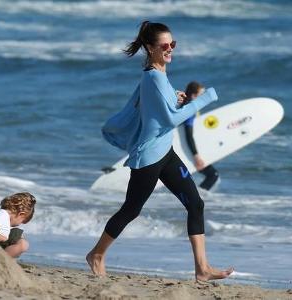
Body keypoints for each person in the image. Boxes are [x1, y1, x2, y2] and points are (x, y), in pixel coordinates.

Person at [86, 21, 233, 282]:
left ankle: (202, 269)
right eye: (164, 45)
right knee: (131, 210)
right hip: (149, 157)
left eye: (172, 44)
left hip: (166, 152)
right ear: (150, 48)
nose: (170, 49)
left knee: (196, 204)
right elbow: (169, 120)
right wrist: (202, 100)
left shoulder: (159, 75)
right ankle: (96, 254)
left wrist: (176, 99)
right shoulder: (153, 77)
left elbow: (161, 110)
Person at [183, 81, 220, 191]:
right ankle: (197, 199)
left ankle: (195, 199)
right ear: (194, 96)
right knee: (213, 175)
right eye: (202, 95)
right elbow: (188, 135)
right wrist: (196, 156)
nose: (205, 97)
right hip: (188, 151)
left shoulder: (187, 106)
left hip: (187, 150)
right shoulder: (190, 110)